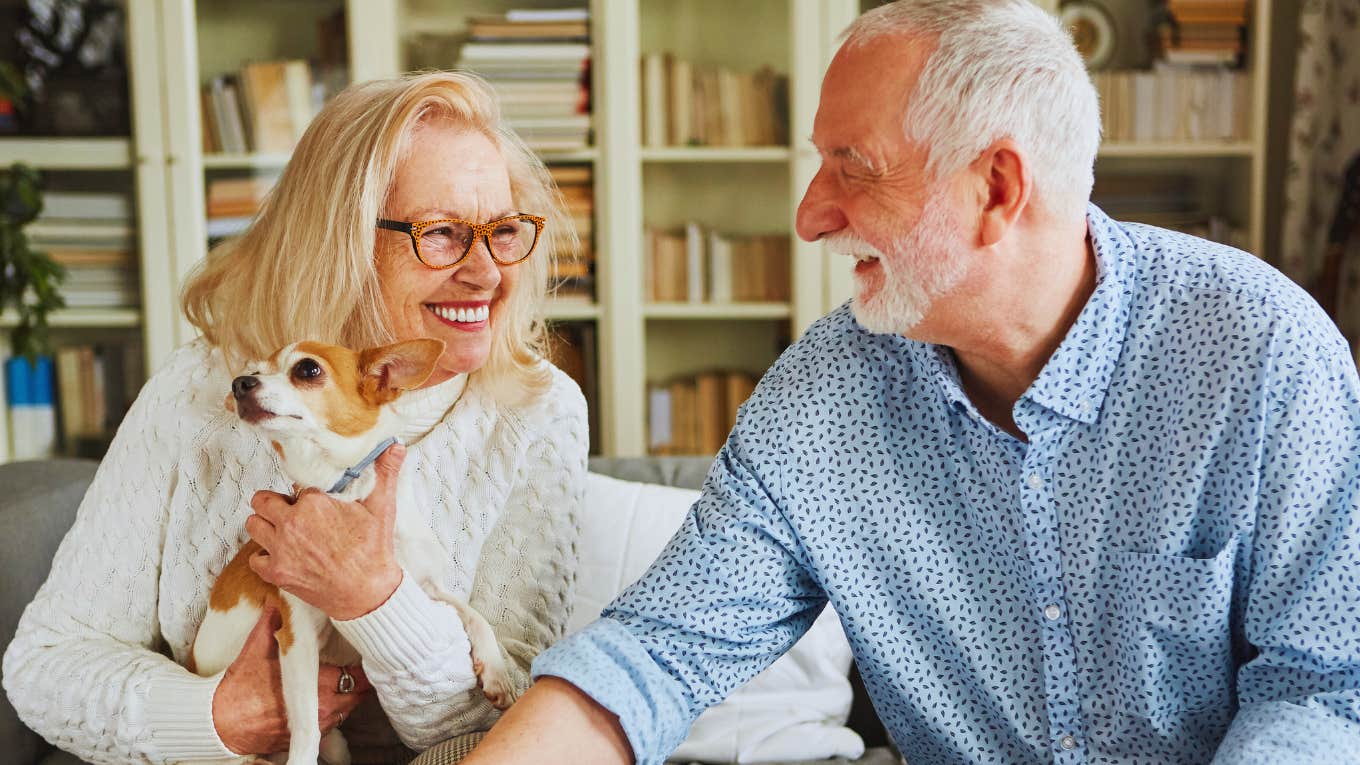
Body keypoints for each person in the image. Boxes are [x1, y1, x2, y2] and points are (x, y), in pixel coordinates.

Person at [461, 2, 1360, 764]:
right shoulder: (825, 398)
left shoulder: (1263, 353)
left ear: (997, 185)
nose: (812, 215)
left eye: (853, 166)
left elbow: (1326, 690)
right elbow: (653, 657)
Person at [2, 71, 587, 764]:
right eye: (443, 234)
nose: (487, 272)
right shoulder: (200, 389)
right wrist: (217, 717)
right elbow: (44, 667)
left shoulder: (537, 410)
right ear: (339, 238)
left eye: (503, 231)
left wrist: (373, 596)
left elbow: (517, 726)